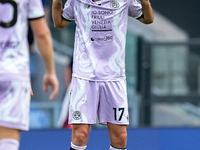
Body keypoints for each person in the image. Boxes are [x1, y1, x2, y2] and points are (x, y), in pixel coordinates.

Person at [52, 0, 153, 149]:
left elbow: (148, 19)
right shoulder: (77, 1)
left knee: (120, 137)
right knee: (80, 135)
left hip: (114, 76)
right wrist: (56, 4)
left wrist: (145, 3)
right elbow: (59, 23)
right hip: (84, 76)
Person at [0, 0, 59, 149]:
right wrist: (50, 72)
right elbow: (42, 33)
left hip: (13, 73)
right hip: (12, 74)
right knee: (8, 141)